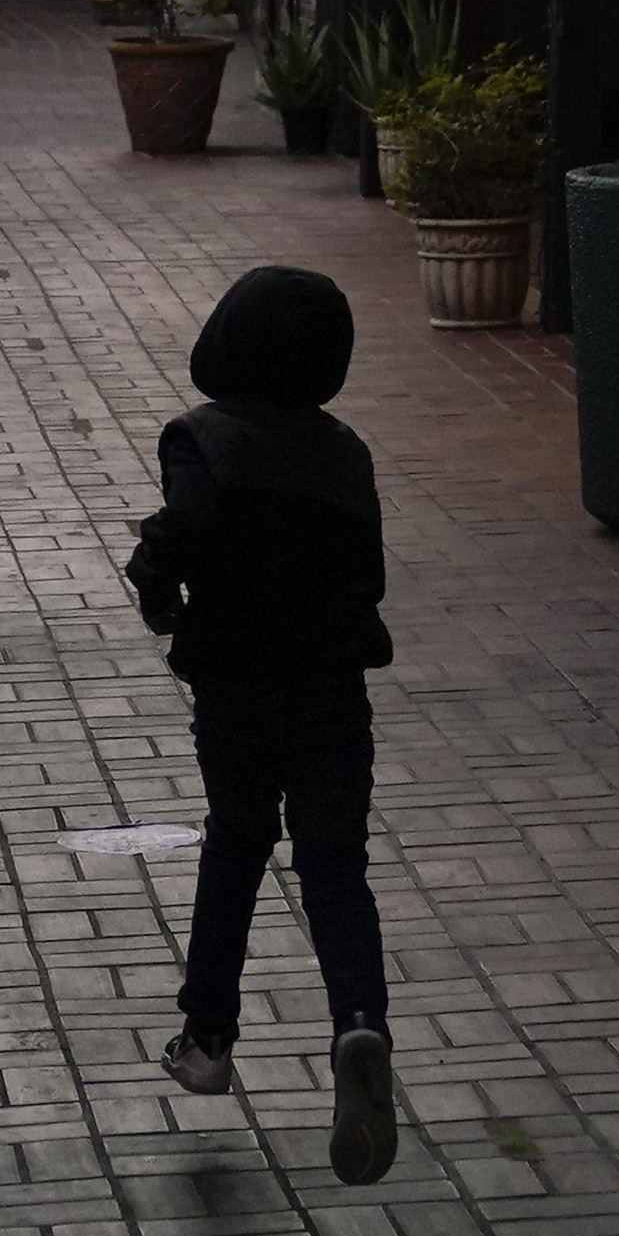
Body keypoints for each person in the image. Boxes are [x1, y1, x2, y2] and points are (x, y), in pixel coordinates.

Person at [122, 263, 400, 1179]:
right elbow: (366, 576)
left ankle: (207, 1040)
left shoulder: (203, 440)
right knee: (335, 867)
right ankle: (359, 1025)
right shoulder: (344, 451)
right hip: (332, 691)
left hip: (239, 688)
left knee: (237, 848)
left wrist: (160, 595)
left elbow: (182, 533)